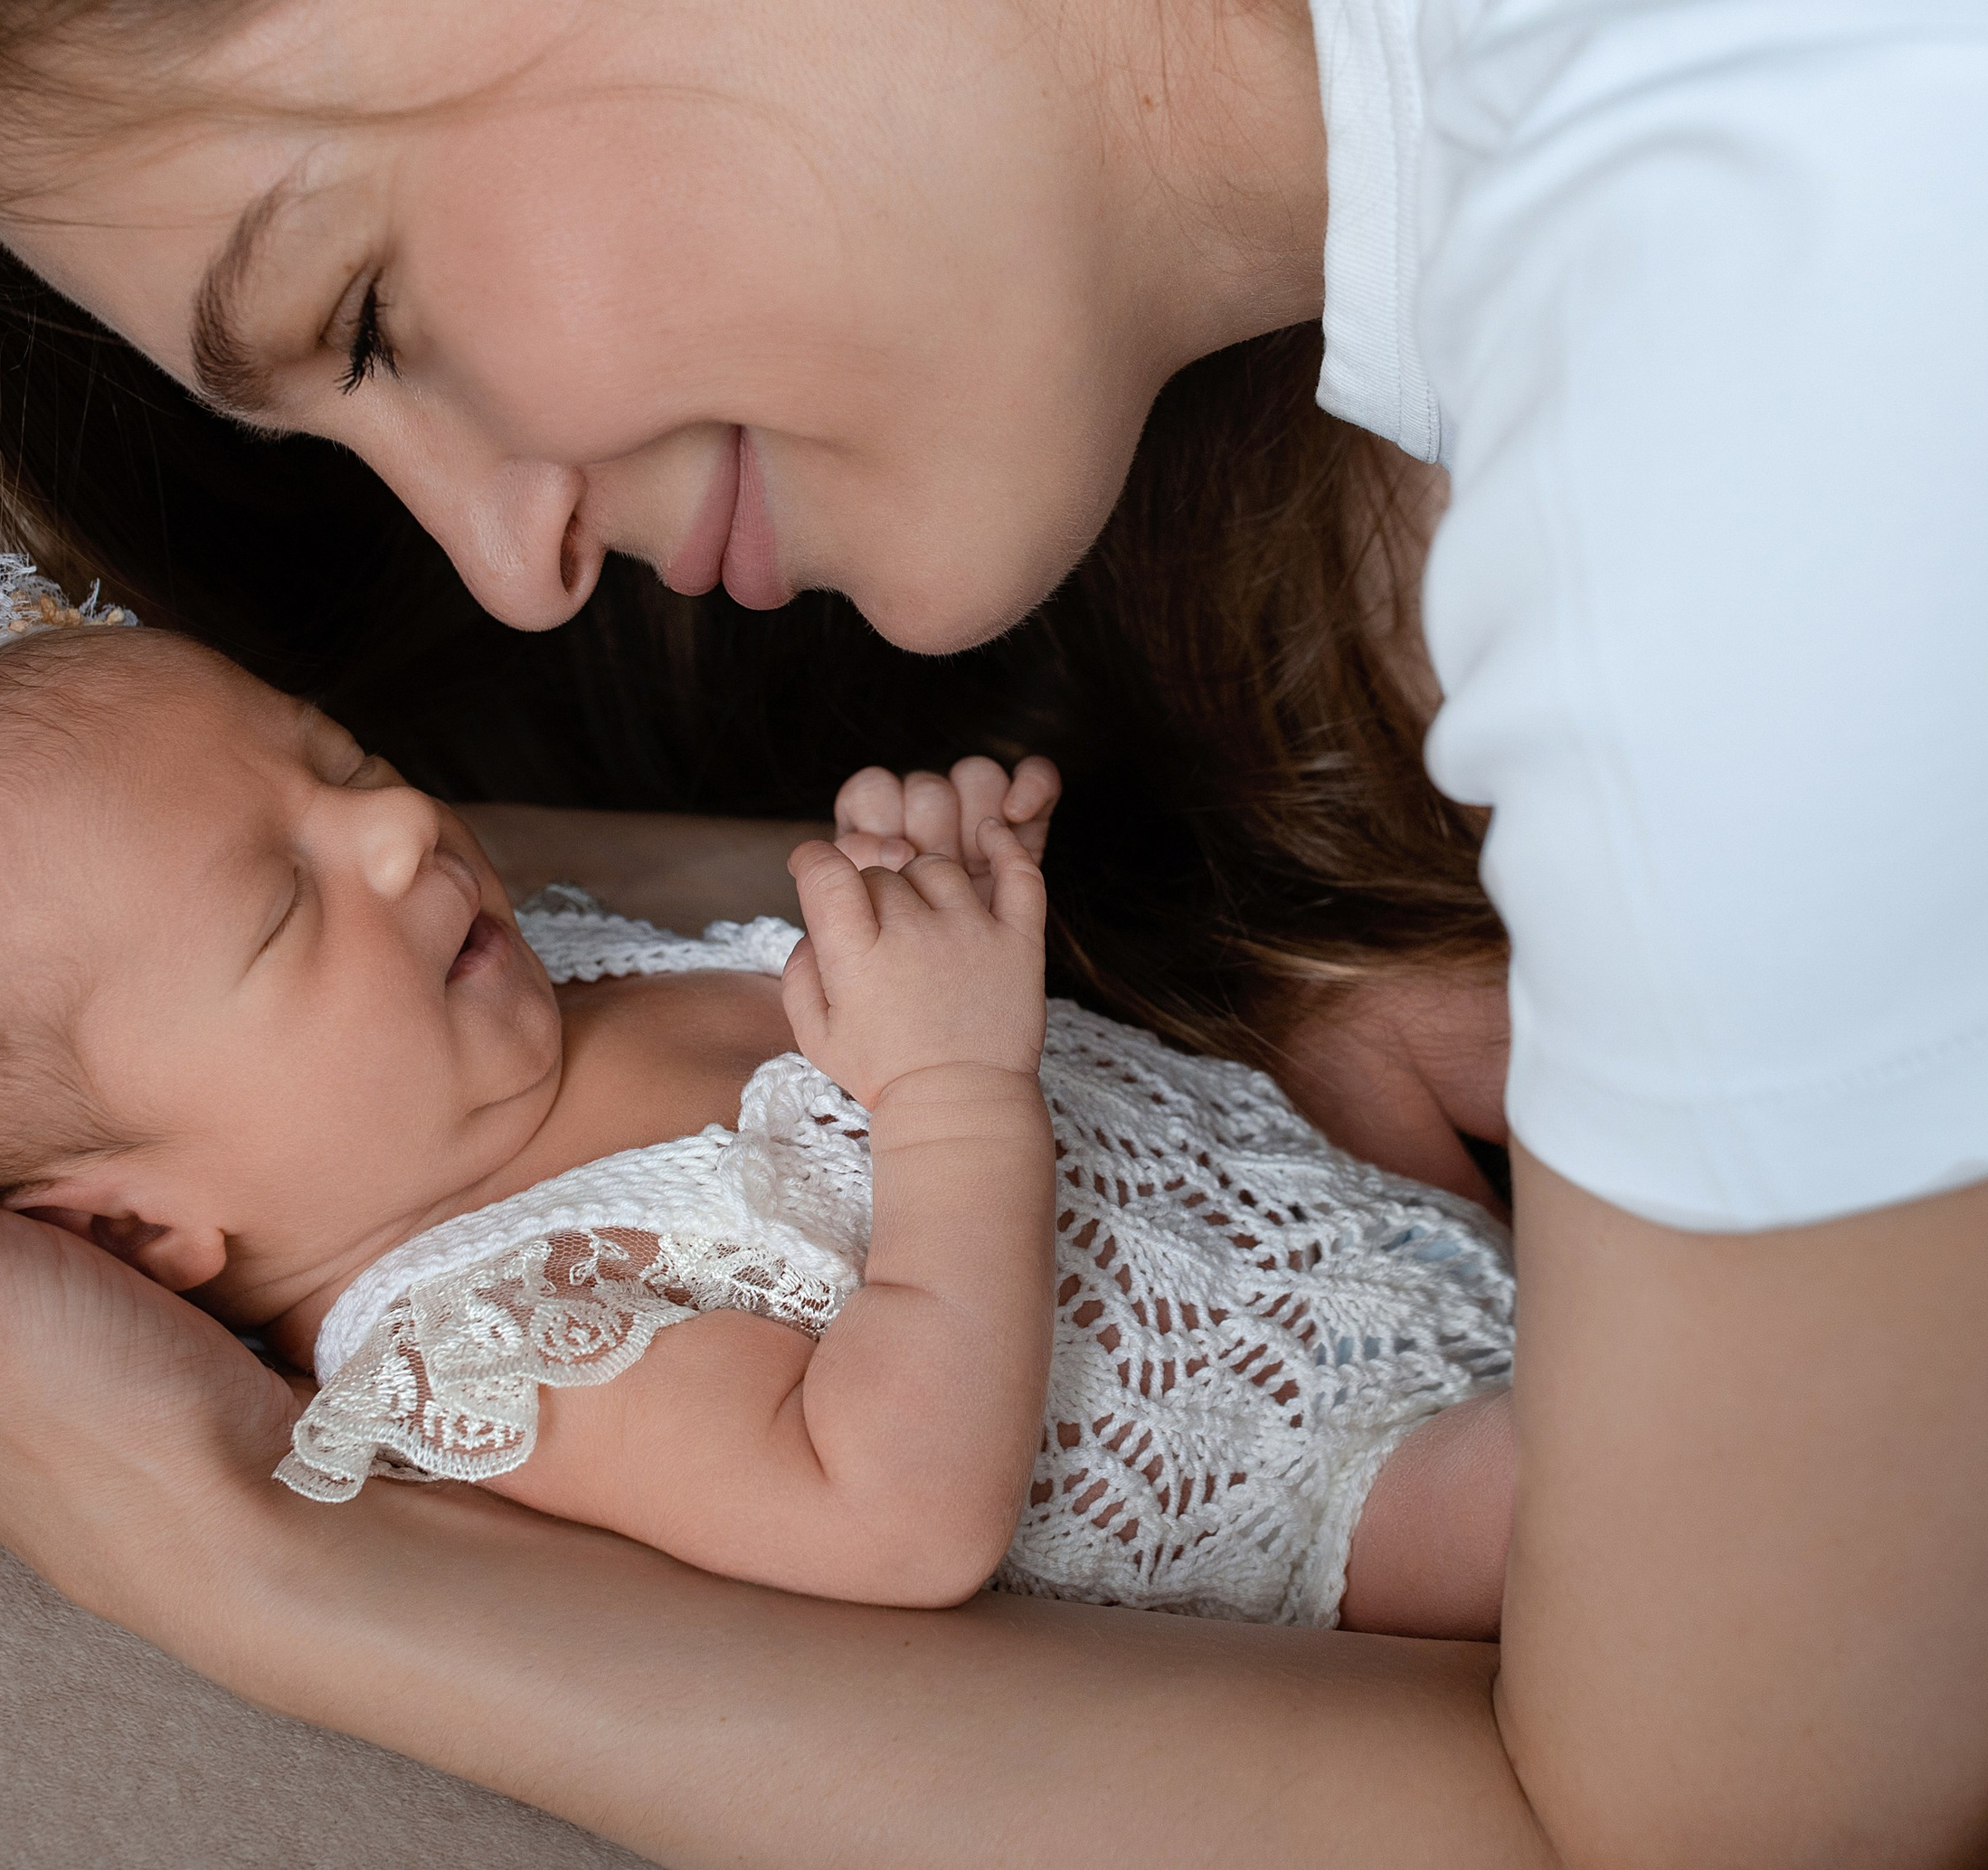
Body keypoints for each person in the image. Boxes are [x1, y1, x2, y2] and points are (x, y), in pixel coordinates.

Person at [0, 0, 1988, 1862]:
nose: (502, 553)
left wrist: (251, 1547)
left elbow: (1711, 1832)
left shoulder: (1766, 362)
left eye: (370, 310)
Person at [0, 589, 1517, 1635]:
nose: (396, 825)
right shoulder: (485, 1335)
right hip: (1341, 1477)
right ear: (141, 1227)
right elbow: (889, 1515)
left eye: (342, 762)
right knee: (1621, 1491)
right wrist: (949, 1091)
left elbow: (830, 1014)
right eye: (281, 907)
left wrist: (921, 908)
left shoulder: (537, 973)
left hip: (1304, 1186)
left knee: (1417, 992)